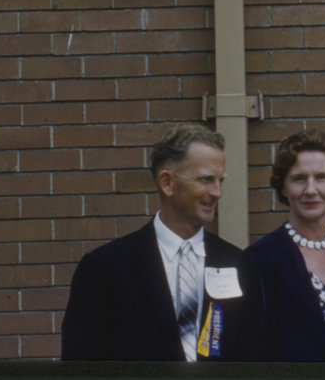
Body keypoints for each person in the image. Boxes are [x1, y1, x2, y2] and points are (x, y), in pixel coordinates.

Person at [61, 123, 258, 361]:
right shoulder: (106, 269)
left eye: (220, 181)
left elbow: (251, 357)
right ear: (167, 183)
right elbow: (81, 364)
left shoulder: (238, 264)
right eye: (206, 179)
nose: (217, 192)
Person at [246, 128, 325, 362]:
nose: (311, 190)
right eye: (299, 179)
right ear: (283, 187)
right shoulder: (260, 260)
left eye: (321, 177)